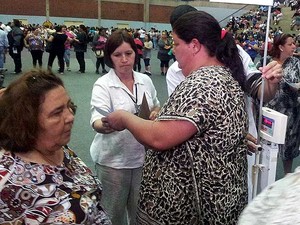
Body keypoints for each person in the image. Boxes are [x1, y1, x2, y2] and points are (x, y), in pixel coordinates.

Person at [102, 11, 250, 224]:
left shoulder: (202, 84)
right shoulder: (223, 76)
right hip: (218, 201)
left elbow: (159, 138)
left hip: (191, 210)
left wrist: (125, 118)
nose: (173, 49)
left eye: (176, 43)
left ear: (195, 45)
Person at [0, 69, 111, 224]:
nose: (71, 116)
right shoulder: (10, 185)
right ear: (27, 122)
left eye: (68, 105)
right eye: (57, 113)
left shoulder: (58, 147)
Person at [90, 29, 160, 225]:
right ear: (110, 58)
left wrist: (155, 112)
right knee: (112, 216)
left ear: (135, 54)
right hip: (113, 162)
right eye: (117, 55)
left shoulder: (145, 80)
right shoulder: (103, 85)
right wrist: (106, 124)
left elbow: (155, 104)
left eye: (128, 53)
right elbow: (96, 121)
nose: (124, 60)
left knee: (141, 213)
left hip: (142, 159)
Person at [265, 33, 300, 175]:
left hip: (291, 111)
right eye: (290, 44)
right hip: (271, 110)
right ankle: (265, 175)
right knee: (268, 146)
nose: (294, 46)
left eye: (294, 43)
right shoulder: (267, 61)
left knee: (289, 148)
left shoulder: (296, 63)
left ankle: (286, 174)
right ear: (280, 47)